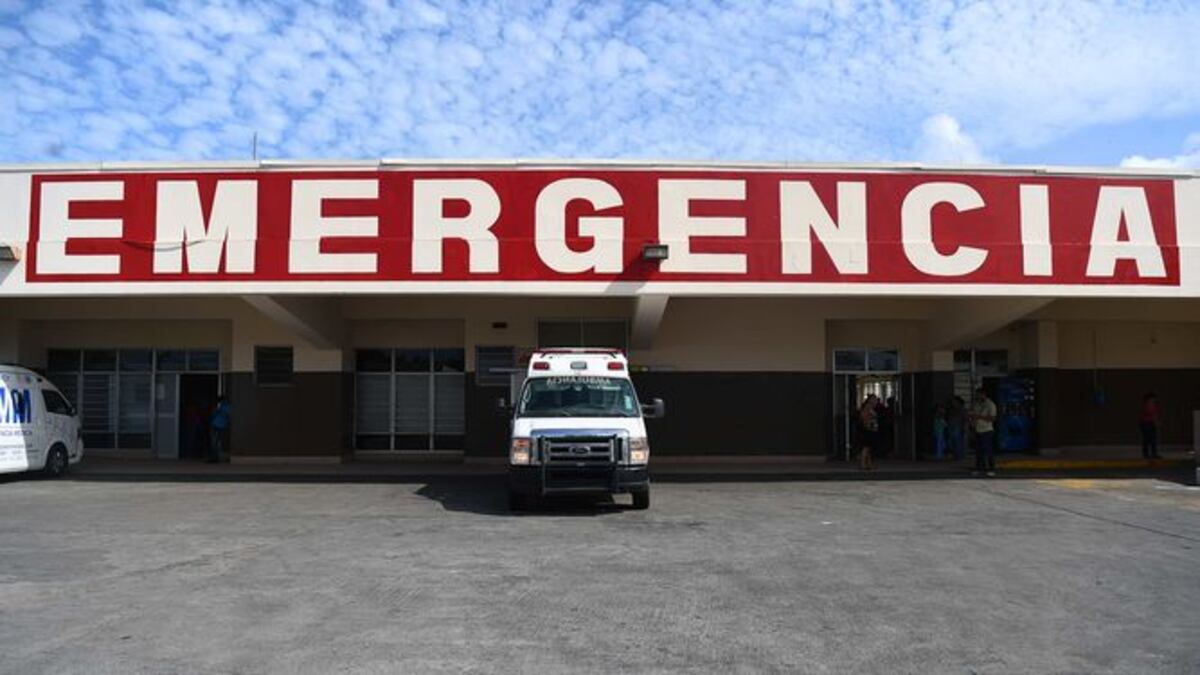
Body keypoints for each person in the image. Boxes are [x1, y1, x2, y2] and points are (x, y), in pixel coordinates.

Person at [970, 387, 998, 476]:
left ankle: (991, 468)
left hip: (987, 430)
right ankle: (979, 468)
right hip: (977, 429)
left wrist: (979, 417)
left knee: (988, 450)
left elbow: (992, 418)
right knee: (979, 451)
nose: (977, 396)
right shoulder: (976, 404)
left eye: (979, 394)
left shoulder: (990, 404)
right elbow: (973, 414)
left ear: (983, 394)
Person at [858, 394, 879, 471]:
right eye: (874, 399)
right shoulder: (867, 408)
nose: (876, 401)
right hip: (867, 430)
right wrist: (868, 425)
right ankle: (863, 463)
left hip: (872, 429)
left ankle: (869, 464)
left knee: (869, 448)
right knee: (866, 447)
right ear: (870, 400)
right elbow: (864, 418)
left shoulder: (872, 408)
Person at [1139, 392, 1161, 459]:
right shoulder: (1148, 406)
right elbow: (1153, 415)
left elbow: (1154, 415)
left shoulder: (1153, 405)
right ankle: (1148, 454)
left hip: (1149, 423)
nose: (1153, 401)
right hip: (1146, 423)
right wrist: (1156, 422)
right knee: (1147, 439)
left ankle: (1152, 453)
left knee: (1152, 439)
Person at [208, 395, 230, 463]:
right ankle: (215, 458)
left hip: (217, 425)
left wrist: (218, 411)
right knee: (216, 443)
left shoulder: (223, 407)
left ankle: (215, 458)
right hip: (219, 425)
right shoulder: (224, 406)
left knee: (215, 443)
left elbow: (216, 414)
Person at [947, 396, 967, 461]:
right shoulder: (951, 409)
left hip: (957, 427)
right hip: (952, 426)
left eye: (954, 401)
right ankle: (956, 455)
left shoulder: (961, 409)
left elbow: (964, 419)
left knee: (958, 442)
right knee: (953, 442)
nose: (953, 403)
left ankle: (959, 456)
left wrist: (964, 427)